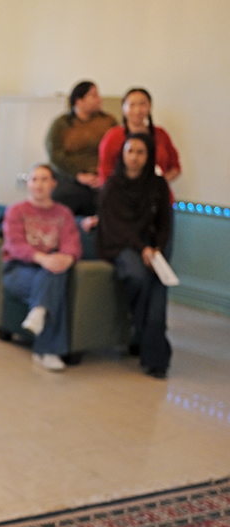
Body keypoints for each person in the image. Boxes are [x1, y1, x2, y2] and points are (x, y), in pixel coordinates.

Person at [96, 133, 173, 379]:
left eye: (141, 152)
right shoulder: (113, 185)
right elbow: (118, 228)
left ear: (149, 156)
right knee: (138, 276)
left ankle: (155, 360)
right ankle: (150, 342)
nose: (135, 158)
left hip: (151, 246)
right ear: (123, 154)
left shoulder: (158, 184)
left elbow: (165, 221)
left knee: (158, 288)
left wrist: (158, 248)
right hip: (120, 245)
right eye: (130, 151)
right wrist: (143, 249)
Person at [1, 164, 82, 371]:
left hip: (48, 270)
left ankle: (39, 313)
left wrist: (67, 259)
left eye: (44, 179)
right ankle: (48, 350)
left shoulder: (63, 213)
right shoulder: (16, 211)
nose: (39, 184)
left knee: (55, 272)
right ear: (28, 183)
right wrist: (43, 258)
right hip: (18, 270)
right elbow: (15, 245)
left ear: (53, 184)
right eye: (34, 179)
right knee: (53, 275)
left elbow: (71, 244)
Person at [46, 81, 117, 217]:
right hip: (69, 178)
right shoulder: (62, 123)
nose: (99, 99)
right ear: (79, 101)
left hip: (102, 178)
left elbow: (117, 150)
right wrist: (78, 175)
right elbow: (55, 154)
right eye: (93, 95)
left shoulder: (108, 121)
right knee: (65, 196)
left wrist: (102, 176)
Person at [98, 87, 181, 199]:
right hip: (123, 198)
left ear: (150, 107)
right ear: (123, 108)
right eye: (132, 105)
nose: (137, 110)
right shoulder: (113, 136)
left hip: (158, 197)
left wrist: (159, 184)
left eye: (142, 104)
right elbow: (105, 172)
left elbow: (175, 167)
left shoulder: (160, 134)